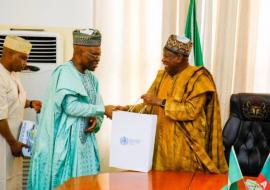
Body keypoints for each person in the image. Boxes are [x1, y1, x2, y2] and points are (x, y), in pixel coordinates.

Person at [111, 35, 228, 173]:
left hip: (186, 151)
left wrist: (160, 101)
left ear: (178, 58)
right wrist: (128, 109)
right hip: (160, 150)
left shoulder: (199, 78)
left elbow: (191, 111)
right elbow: (149, 105)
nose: (163, 59)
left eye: (166, 56)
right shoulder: (162, 76)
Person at [27, 29, 113, 189]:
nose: (98, 59)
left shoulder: (91, 78)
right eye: (94, 54)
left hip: (85, 146)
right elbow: (70, 106)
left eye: (99, 55)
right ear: (79, 51)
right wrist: (103, 110)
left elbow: (96, 103)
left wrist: (97, 119)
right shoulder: (65, 72)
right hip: (66, 147)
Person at [0, 36, 42, 190]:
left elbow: (14, 101)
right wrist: (12, 143)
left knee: (14, 181)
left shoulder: (14, 74)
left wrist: (30, 103)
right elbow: (0, 117)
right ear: (9, 53)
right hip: (4, 142)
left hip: (15, 141)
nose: (25, 63)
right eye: (23, 58)